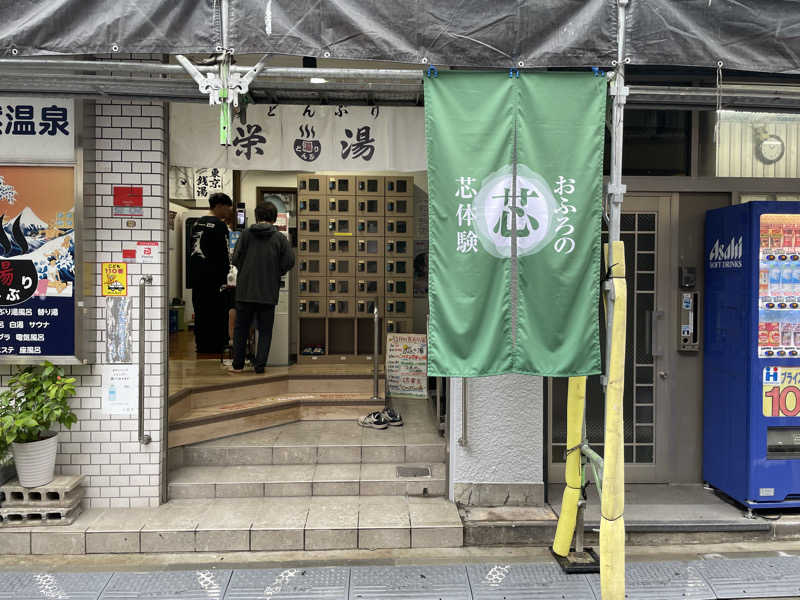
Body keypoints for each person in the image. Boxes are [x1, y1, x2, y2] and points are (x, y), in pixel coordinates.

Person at [230, 202, 294, 374]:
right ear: (274, 218)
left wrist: (246, 270)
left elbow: (235, 258)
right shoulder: (280, 238)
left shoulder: (245, 235)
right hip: (267, 291)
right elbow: (289, 261)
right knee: (265, 331)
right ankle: (260, 366)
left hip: (245, 291)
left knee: (241, 328)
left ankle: (238, 365)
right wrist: (275, 272)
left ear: (257, 216)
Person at [187, 192, 233, 355]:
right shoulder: (220, 226)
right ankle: (216, 346)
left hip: (197, 278)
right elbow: (225, 255)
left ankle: (202, 345)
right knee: (217, 313)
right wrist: (228, 277)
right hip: (214, 279)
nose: (229, 212)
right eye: (228, 208)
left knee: (200, 312)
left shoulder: (196, 224)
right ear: (220, 206)